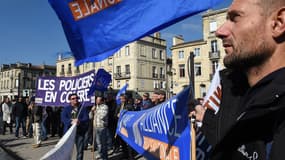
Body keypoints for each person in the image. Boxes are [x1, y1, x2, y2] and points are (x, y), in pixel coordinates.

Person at [192, 0, 285, 159]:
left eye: (235, 18)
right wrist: (205, 117)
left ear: (278, 23)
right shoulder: (236, 89)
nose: (219, 31)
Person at [61, 93, 89, 160]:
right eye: (73, 98)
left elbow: (86, 118)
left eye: (76, 98)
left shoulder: (83, 108)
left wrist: (79, 121)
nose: (75, 99)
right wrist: (71, 121)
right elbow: (63, 118)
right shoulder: (66, 109)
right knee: (67, 151)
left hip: (79, 133)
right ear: (70, 100)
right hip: (68, 133)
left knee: (80, 151)